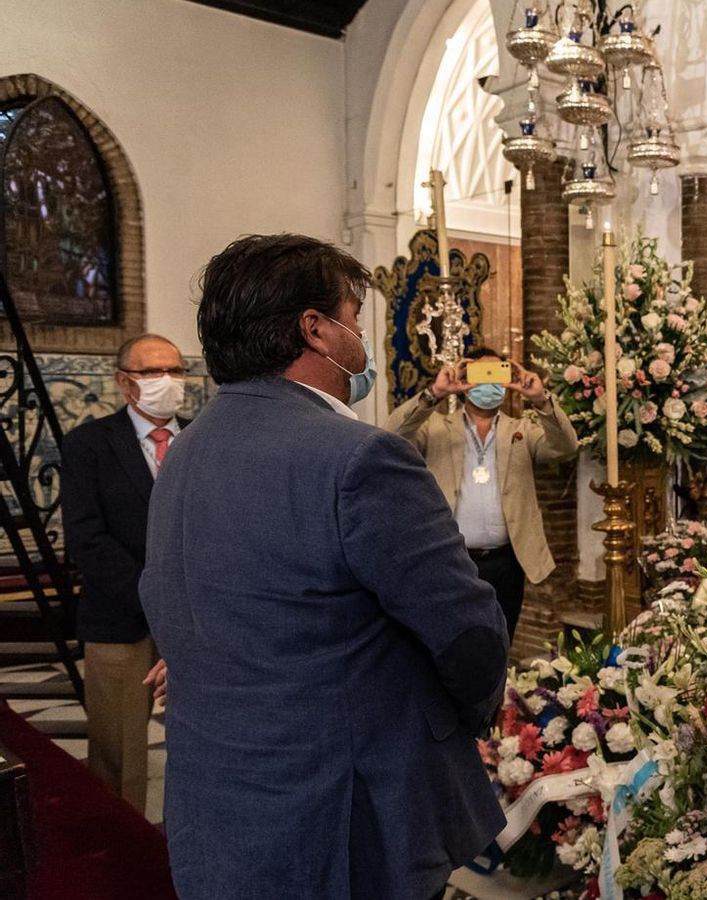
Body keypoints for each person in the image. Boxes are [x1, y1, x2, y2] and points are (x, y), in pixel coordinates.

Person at [139, 233, 507, 900]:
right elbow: (468, 634)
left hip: (217, 796)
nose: (359, 335)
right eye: (354, 316)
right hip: (337, 809)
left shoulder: (184, 453)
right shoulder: (359, 459)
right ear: (316, 329)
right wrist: (467, 716)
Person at [60, 333, 189, 811]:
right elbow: (86, 539)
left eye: (175, 371)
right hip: (119, 616)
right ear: (123, 382)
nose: (168, 382)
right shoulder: (88, 445)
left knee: (207, 742)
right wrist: (154, 596)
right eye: (153, 372)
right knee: (118, 750)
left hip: (197, 618)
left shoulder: (202, 439)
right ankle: (125, 846)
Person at [384, 347, 577, 640]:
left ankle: (498, 687)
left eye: (496, 375)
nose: (489, 384)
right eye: (480, 375)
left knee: (501, 641)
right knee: (453, 642)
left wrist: (540, 399)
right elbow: (391, 436)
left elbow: (566, 447)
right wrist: (434, 393)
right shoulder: (435, 428)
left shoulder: (523, 429)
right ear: (464, 382)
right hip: (451, 560)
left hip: (507, 562)